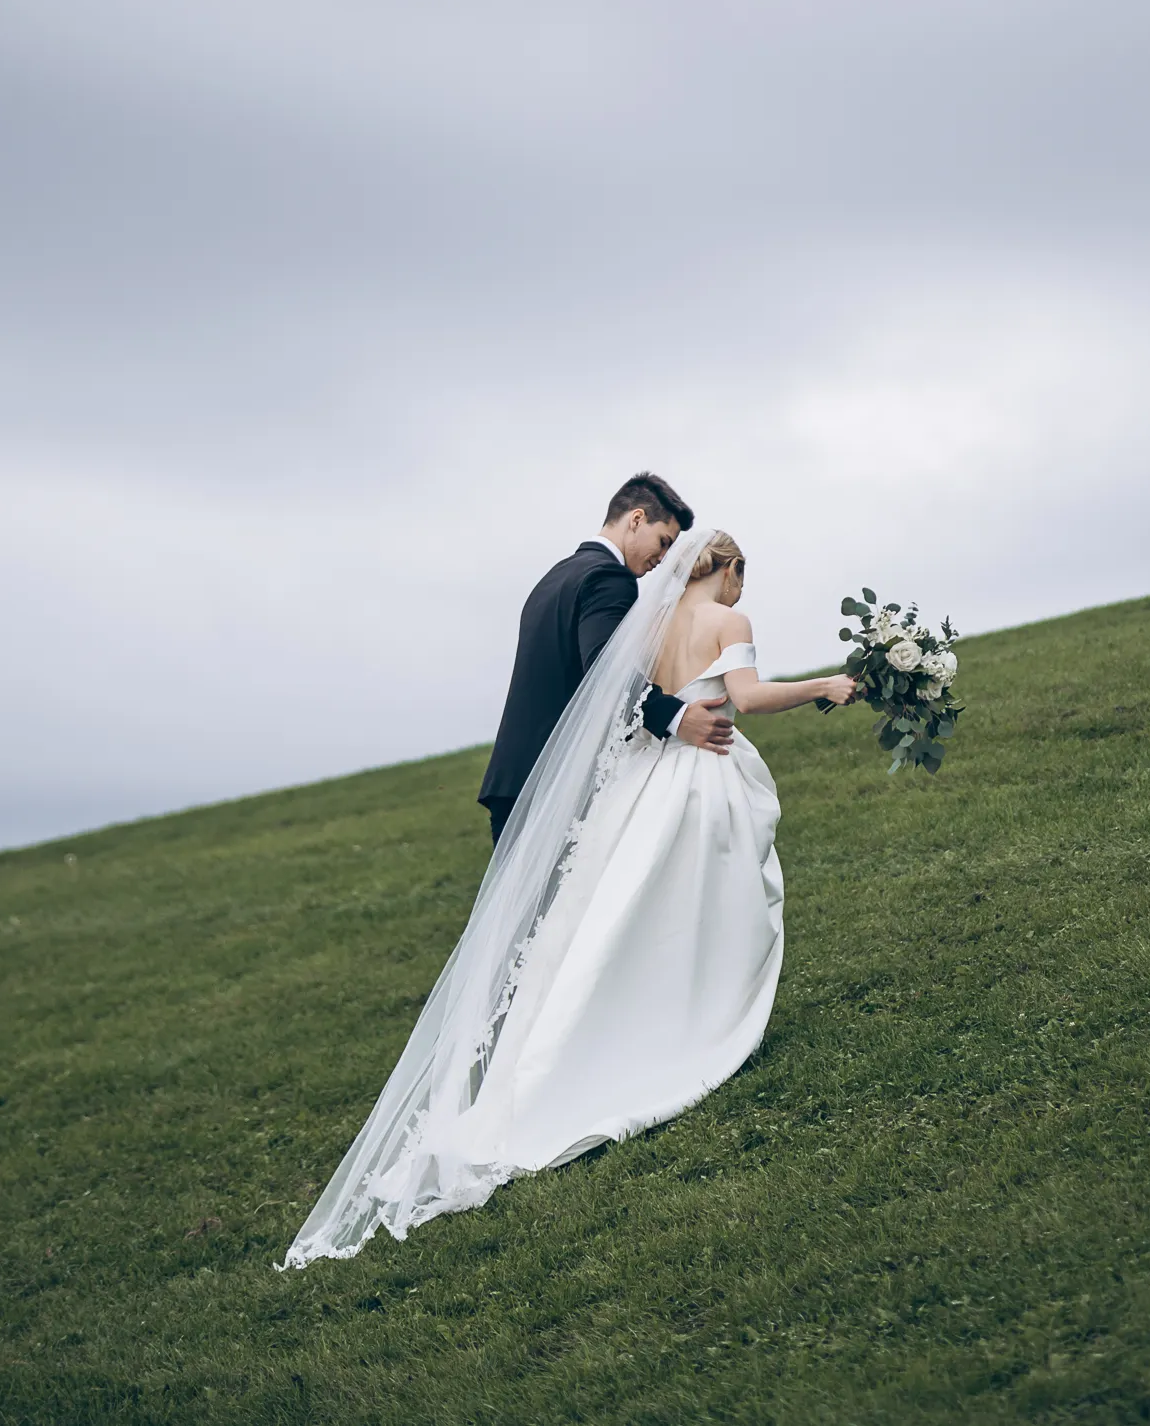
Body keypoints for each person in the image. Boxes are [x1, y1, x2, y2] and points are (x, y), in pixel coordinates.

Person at [282, 524, 855, 1268]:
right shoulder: (728, 621)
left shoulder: (648, 629)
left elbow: (624, 701)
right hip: (697, 778)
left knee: (606, 917)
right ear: (729, 569)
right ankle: (692, 1018)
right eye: (744, 575)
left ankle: (564, 1050)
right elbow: (745, 696)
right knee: (701, 905)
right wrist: (825, 687)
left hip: (639, 783)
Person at [477, 472, 734, 847]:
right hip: (554, 780)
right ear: (636, 519)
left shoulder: (555, 577)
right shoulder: (609, 578)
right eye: (663, 542)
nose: (662, 559)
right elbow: (603, 672)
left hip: (515, 776)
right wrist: (676, 717)